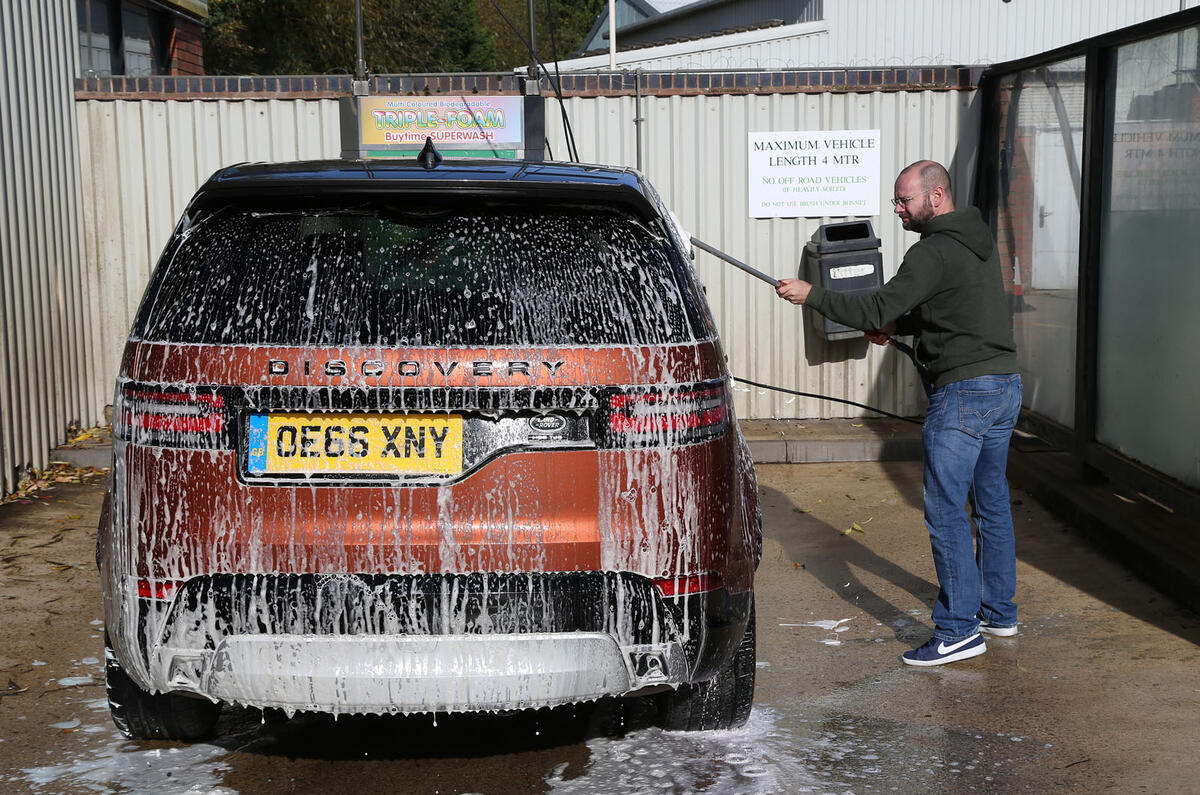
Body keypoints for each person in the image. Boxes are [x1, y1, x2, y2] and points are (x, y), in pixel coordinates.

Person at [776, 160, 1022, 666]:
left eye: (904, 200)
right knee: (991, 503)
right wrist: (902, 326)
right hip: (1003, 386)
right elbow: (951, 309)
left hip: (964, 395)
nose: (897, 209)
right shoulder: (976, 239)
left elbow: (874, 308)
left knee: (947, 511)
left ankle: (957, 631)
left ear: (936, 196)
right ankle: (998, 612)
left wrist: (811, 295)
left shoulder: (930, 251)